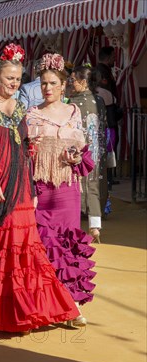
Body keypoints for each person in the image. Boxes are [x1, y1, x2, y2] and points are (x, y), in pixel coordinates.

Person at [0, 44, 80, 334]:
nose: (14, 83)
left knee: (23, 248)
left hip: (21, 186)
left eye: (18, 78)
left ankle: (23, 310)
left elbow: (25, 147)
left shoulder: (22, 107)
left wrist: (33, 178)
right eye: (9, 78)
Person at [25, 54, 98, 328]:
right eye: (43, 83)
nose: (47, 88)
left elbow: (83, 150)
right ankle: (43, 307)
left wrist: (77, 158)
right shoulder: (31, 115)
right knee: (43, 246)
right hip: (41, 189)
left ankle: (73, 307)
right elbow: (24, 154)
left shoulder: (74, 112)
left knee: (68, 247)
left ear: (63, 85)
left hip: (68, 189)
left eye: (52, 83)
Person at [69, 66, 108, 242]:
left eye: (74, 80)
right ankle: (95, 224)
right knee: (94, 183)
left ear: (83, 82)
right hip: (97, 149)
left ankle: (75, 223)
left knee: (77, 182)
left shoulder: (72, 102)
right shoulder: (99, 100)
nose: (71, 83)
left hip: (80, 148)